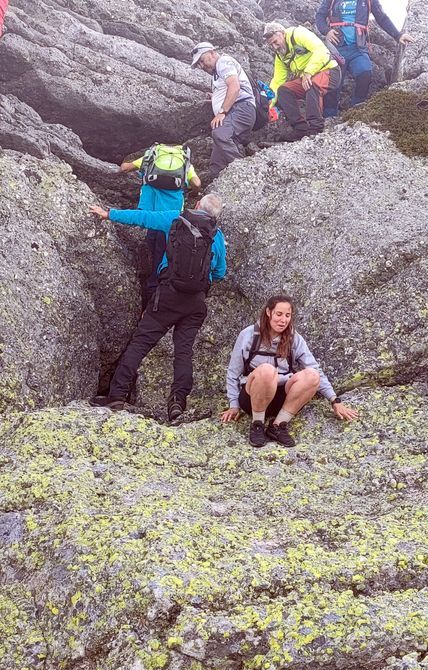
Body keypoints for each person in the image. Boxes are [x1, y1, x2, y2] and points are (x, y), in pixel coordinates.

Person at [89, 194, 226, 422]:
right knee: (184, 351)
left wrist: (109, 214)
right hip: (195, 302)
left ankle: (117, 396)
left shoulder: (175, 219)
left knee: (141, 343)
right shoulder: (216, 236)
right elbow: (220, 272)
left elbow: (144, 218)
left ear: (196, 205)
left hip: (167, 296)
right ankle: (177, 402)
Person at [222, 294, 358, 447]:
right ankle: (257, 424)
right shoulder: (248, 335)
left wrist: (334, 400)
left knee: (312, 375)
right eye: (279, 314)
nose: (283, 320)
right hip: (253, 398)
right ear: (268, 312)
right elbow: (233, 373)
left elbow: (315, 368)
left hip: (283, 399)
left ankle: (278, 426)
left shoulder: (294, 338)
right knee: (267, 370)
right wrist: (234, 405)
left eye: (287, 315)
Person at [120, 144, 202, 295]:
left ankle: (146, 275)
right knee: (164, 247)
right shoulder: (184, 160)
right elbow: (197, 183)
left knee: (150, 238)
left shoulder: (153, 155)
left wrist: (123, 161)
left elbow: (125, 168)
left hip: (150, 207)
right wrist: (193, 192)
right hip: (172, 213)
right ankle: (155, 282)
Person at [315, 0, 414, 116]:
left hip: (358, 48)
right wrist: (326, 31)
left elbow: (381, 17)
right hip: (337, 49)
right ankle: (329, 116)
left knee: (365, 72)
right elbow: (320, 16)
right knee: (333, 81)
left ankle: (356, 111)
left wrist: (398, 35)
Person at [263, 22, 342, 142]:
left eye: (275, 42)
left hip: (329, 70)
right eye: (271, 45)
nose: (274, 47)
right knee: (283, 90)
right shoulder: (280, 56)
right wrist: (269, 103)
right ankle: (300, 128)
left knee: (312, 85)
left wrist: (308, 72)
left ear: (282, 33)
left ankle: (315, 127)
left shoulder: (298, 34)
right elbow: (278, 80)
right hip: (308, 77)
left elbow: (320, 50)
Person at [191, 42, 256, 179]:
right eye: (198, 65)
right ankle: (218, 181)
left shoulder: (223, 62)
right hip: (234, 112)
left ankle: (245, 172)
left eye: (202, 61)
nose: (202, 66)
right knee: (216, 166)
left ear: (212, 53)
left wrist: (222, 112)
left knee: (220, 134)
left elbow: (234, 86)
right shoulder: (217, 72)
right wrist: (215, 98)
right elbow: (227, 88)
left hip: (241, 108)